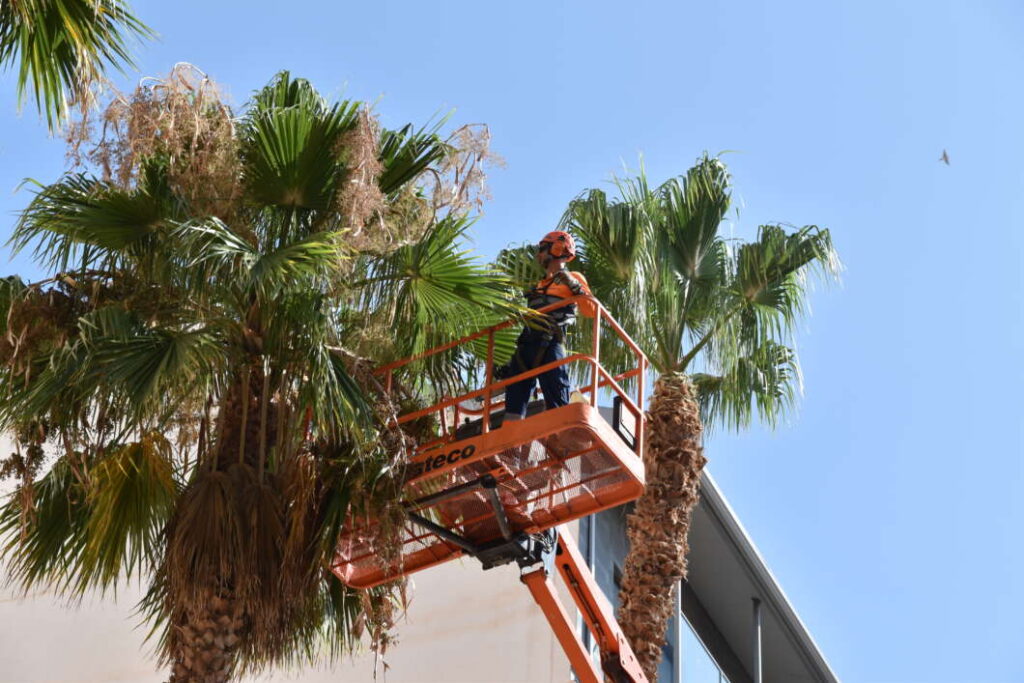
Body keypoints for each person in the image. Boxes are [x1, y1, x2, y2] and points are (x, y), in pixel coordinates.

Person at [500, 230, 595, 425]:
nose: (538, 255)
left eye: (542, 249)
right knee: (514, 399)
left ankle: (561, 437)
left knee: (557, 397)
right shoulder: (539, 285)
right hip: (527, 345)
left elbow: (591, 310)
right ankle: (509, 441)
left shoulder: (573, 277)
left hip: (551, 342)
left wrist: (574, 285)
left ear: (557, 248)